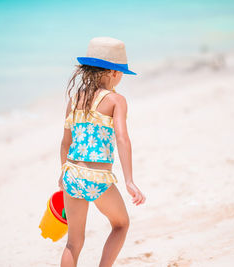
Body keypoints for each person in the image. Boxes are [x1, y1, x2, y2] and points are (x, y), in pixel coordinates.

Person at [58, 36, 146, 267]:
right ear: (115, 73)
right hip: (97, 178)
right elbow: (122, 138)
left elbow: (65, 142)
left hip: (72, 173)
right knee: (121, 224)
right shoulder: (116, 100)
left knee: (73, 243)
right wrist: (129, 181)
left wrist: (63, 173)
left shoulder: (75, 99)